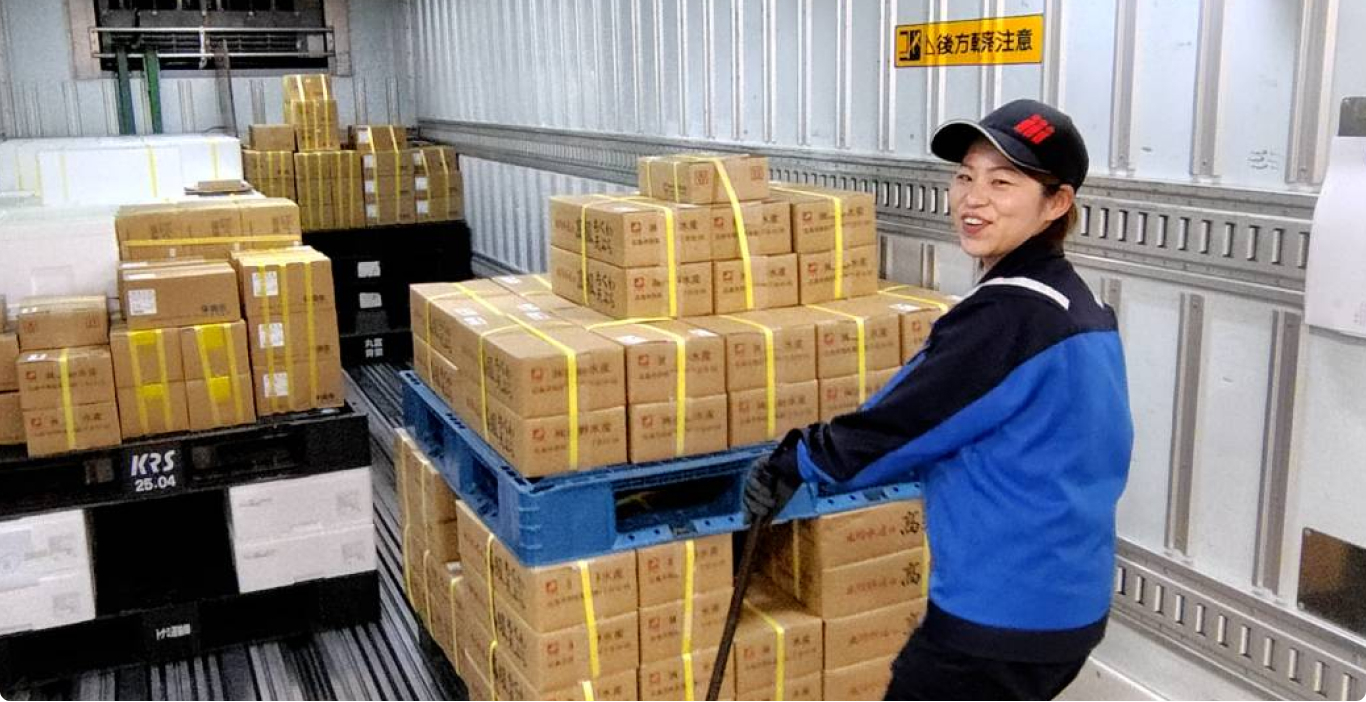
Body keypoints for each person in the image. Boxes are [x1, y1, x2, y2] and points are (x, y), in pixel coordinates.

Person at [744, 99, 1134, 701]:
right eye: (965, 176)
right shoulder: (1080, 306)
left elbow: (898, 427)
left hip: (998, 617)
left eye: (1002, 183)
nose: (973, 199)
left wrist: (793, 460)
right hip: (1066, 600)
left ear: (1056, 203)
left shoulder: (1009, 314)